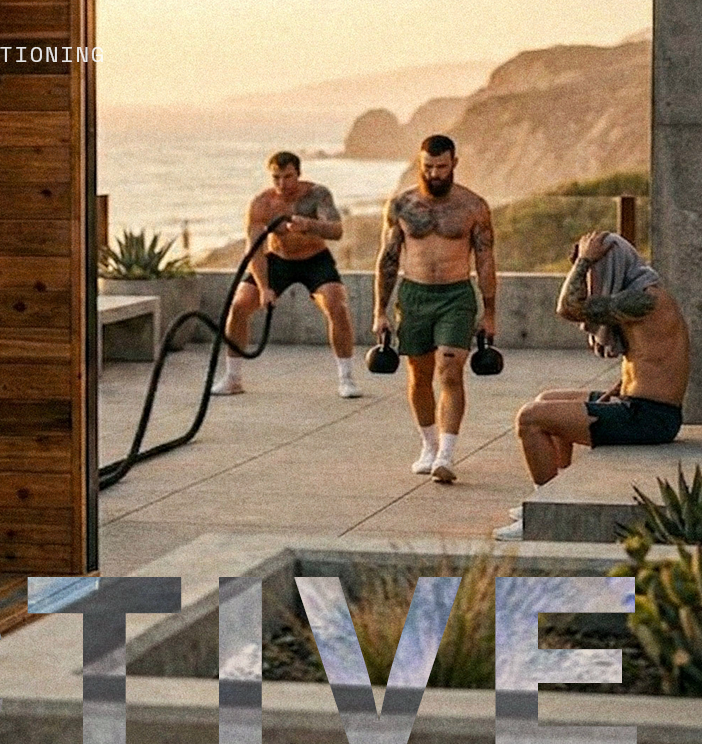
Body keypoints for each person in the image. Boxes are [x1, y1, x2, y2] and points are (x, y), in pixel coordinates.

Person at [494, 231, 689, 540]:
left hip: (648, 418)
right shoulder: (643, 291)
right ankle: (555, 497)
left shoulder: (644, 300)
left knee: (530, 418)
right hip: (638, 404)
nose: (590, 283)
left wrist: (585, 260)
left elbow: (568, 307)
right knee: (548, 399)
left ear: (610, 267)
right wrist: (622, 383)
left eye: (595, 273)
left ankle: (546, 515)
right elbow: (653, 358)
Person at [374, 134, 496, 483]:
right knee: (419, 374)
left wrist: (490, 314)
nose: (435, 173)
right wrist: (379, 311)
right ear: (420, 164)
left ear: (454, 163)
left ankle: (446, 453)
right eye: (429, 166)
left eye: (442, 166)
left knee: (450, 369)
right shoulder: (401, 205)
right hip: (414, 295)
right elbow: (388, 258)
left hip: (456, 296)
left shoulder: (473, 207)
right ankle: (428, 446)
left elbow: (486, 262)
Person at [211, 151, 360, 398]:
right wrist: (264, 286)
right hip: (278, 260)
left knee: (337, 304)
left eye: (288, 177)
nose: (282, 184)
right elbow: (255, 248)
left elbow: (336, 230)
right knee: (239, 306)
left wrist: (309, 225)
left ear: (298, 174)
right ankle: (233, 377)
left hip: (314, 259)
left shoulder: (316, 194)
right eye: (276, 178)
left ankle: (347, 378)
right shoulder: (262, 203)